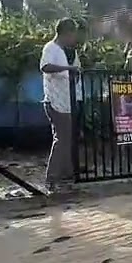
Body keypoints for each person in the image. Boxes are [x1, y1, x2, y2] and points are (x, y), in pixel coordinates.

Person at [40, 17, 81, 192]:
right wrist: (69, 69)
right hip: (56, 101)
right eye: (73, 34)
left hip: (67, 101)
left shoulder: (67, 51)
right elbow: (45, 66)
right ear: (66, 33)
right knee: (61, 139)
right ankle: (52, 179)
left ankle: (65, 175)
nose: (74, 38)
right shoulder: (51, 48)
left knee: (67, 139)